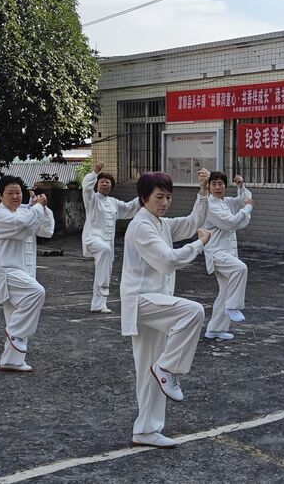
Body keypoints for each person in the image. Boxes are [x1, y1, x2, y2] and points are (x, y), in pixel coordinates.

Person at [121, 169, 211, 449]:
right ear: (143, 197)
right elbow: (168, 261)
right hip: (142, 300)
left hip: (155, 301)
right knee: (193, 311)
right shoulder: (142, 226)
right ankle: (168, 367)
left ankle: (146, 430)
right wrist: (199, 244)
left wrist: (203, 191)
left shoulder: (160, 223)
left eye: (168, 197)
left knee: (148, 372)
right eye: (159, 197)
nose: (165, 202)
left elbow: (193, 221)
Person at [0, 176, 55, 373]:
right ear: (0, 196)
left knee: (16, 315)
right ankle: (14, 334)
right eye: (10, 193)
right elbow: (23, 224)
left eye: (18, 192)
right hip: (5, 270)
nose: (15, 196)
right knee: (36, 293)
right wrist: (37, 207)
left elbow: (46, 230)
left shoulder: (25, 211)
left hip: (23, 270)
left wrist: (42, 207)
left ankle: (12, 360)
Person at [201, 173, 255, 341]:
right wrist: (247, 209)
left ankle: (214, 330)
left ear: (225, 186)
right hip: (216, 253)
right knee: (241, 268)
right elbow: (230, 222)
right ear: (209, 186)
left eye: (221, 184)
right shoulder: (209, 205)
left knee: (224, 293)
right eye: (214, 184)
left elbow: (244, 198)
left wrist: (241, 186)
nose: (218, 187)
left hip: (229, 252)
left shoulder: (226, 202)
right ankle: (233, 307)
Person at [82, 162, 140, 313]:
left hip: (108, 245)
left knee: (103, 270)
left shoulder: (114, 203)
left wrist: (144, 195)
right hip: (93, 239)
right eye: (102, 181)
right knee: (104, 250)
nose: (105, 184)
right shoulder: (92, 199)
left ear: (112, 186)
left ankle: (99, 304)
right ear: (97, 185)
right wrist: (95, 171)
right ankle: (101, 295)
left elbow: (129, 208)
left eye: (108, 182)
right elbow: (86, 188)